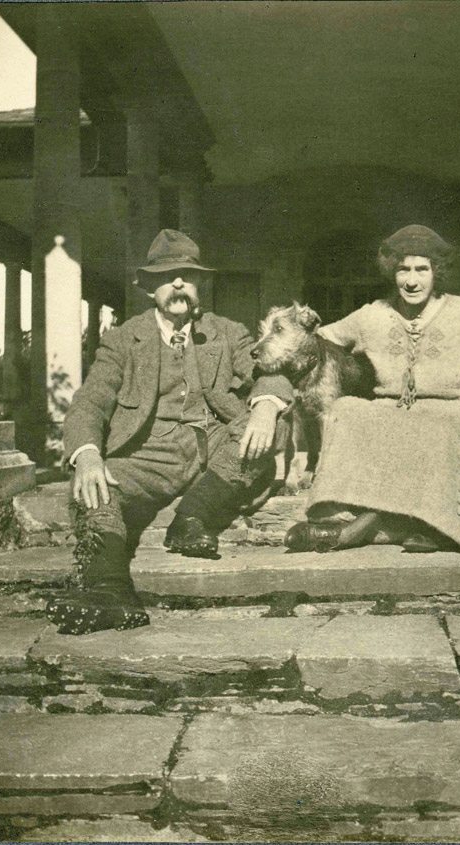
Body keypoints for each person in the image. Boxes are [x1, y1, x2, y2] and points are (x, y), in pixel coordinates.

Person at [46, 229, 293, 635]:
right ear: (149, 288)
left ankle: (191, 519)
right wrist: (87, 454)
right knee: (93, 487)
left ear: (200, 286)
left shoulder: (227, 333)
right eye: (166, 276)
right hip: (146, 457)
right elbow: (89, 401)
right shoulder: (122, 340)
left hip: (212, 450)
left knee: (272, 424)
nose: (178, 283)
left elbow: (269, 373)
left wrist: (266, 406)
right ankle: (110, 592)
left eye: (188, 275)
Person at [284, 224, 460, 554]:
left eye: (422, 269)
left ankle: (364, 527)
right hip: (391, 432)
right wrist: (270, 393)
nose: (412, 280)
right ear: (391, 272)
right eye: (403, 269)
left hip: (454, 435)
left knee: (437, 430)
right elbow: (310, 341)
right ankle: (371, 522)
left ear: (437, 271)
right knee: (346, 408)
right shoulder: (371, 316)